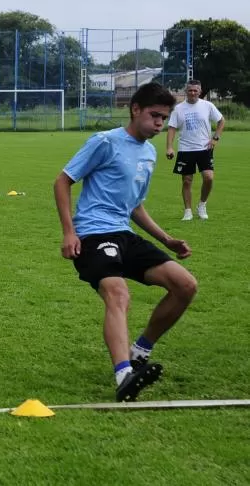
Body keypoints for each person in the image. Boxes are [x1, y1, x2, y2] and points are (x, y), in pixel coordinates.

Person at [54, 82, 198, 402]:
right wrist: (69, 231)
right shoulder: (104, 142)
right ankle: (124, 374)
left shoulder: (148, 153)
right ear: (135, 109)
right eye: (154, 116)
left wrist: (167, 239)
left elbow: (134, 207)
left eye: (164, 118)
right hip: (93, 234)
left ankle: (139, 351)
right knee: (118, 293)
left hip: (125, 234)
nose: (160, 124)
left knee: (185, 285)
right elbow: (63, 181)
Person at [166, 79, 225, 220]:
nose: (193, 93)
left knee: (209, 178)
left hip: (205, 148)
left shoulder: (207, 105)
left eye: (195, 90)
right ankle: (187, 211)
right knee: (187, 180)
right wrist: (169, 147)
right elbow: (172, 128)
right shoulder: (178, 109)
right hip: (185, 149)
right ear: (186, 91)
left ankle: (202, 205)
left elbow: (221, 121)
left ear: (200, 91)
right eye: (190, 90)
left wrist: (215, 138)